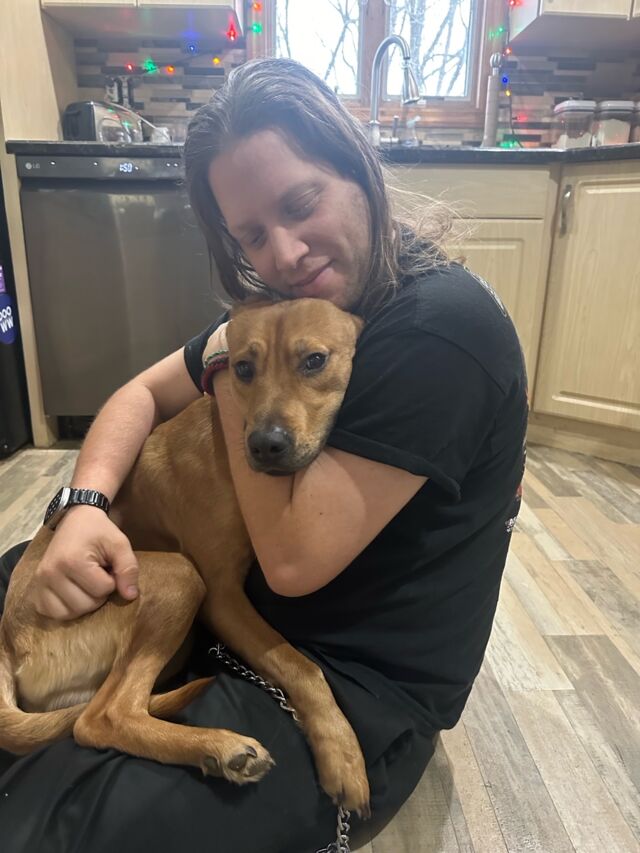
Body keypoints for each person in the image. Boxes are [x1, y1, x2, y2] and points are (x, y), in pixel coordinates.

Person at [0, 58, 528, 853]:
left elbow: (288, 563)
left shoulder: (435, 326)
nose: (283, 252)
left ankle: (99, 718)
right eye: (251, 234)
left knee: (40, 830)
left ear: (358, 166)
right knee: (24, 574)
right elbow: (138, 394)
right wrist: (83, 507)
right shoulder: (282, 319)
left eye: (301, 203)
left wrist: (227, 364)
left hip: (349, 683)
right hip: (216, 616)